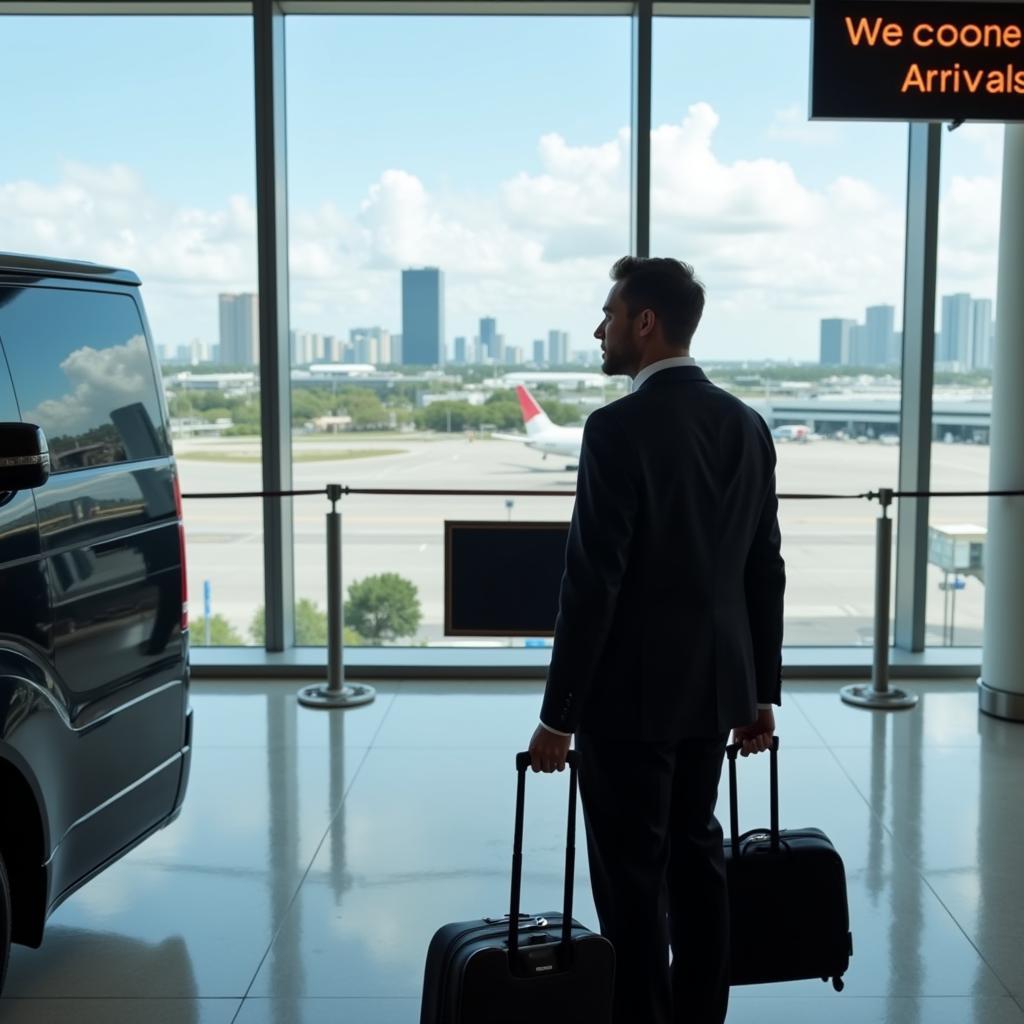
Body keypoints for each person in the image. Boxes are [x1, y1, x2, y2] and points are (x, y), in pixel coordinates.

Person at [526, 256, 785, 1024]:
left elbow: (593, 583)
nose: (598, 329)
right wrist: (760, 694)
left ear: (645, 323)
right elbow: (763, 569)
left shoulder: (615, 429)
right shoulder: (745, 423)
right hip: (715, 691)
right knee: (698, 863)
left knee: (632, 883)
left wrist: (558, 715)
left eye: (608, 314)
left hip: (629, 701)